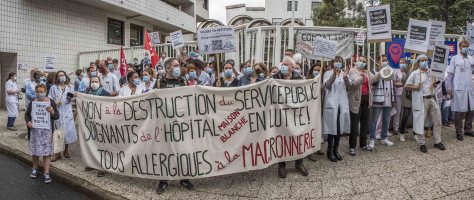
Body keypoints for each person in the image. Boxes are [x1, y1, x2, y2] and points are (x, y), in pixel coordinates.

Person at [156, 57, 193, 194]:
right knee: (166, 152)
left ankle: (184, 178)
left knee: (183, 150)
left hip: (181, 124)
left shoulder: (182, 81)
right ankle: (163, 181)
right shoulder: (160, 82)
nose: (178, 68)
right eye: (176, 65)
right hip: (165, 124)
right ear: (167, 68)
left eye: (179, 65)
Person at [272, 56, 308, 178]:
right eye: (282, 64)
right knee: (281, 139)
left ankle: (299, 163)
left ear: (292, 67)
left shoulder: (299, 79)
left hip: (295, 114)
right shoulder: (275, 78)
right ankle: (282, 165)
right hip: (281, 114)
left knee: (298, 137)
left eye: (286, 64)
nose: (283, 66)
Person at [405, 54, 446, 152]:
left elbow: (432, 85)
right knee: (421, 122)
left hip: (432, 98)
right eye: (422, 60)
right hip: (422, 100)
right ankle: (422, 143)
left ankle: (437, 141)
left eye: (426, 60)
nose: (425, 62)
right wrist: (415, 87)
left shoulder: (430, 73)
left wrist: (434, 85)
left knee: (437, 120)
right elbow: (406, 85)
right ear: (418, 63)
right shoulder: (415, 73)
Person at [26, 84, 59, 183]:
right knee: (35, 151)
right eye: (37, 91)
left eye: (41, 91)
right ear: (35, 92)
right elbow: (27, 115)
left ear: (46, 92)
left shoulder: (50, 102)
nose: (39, 93)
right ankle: (34, 168)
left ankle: (46, 172)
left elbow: (56, 116)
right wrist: (28, 122)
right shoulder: (33, 102)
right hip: (35, 131)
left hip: (46, 132)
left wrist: (52, 111)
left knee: (46, 152)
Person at [347, 56, 378, 156]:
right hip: (356, 102)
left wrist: (381, 72)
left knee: (365, 124)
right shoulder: (353, 70)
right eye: (360, 61)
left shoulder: (367, 72)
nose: (362, 63)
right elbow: (354, 84)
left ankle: (363, 144)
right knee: (354, 125)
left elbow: (373, 80)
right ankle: (352, 146)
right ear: (357, 61)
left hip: (366, 101)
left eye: (364, 62)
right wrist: (362, 77)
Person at [323, 56, 350, 162]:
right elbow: (327, 85)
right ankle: (329, 151)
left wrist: (346, 78)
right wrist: (334, 74)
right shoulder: (328, 73)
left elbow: (349, 87)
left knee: (338, 128)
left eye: (339, 61)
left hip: (342, 104)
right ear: (332, 63)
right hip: (332, 104)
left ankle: (336, 149)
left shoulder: (344, 74)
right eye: (336, 61)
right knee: (331, 128)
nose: (338, 63)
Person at [446, 40, 474, 141]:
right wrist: (449, 88)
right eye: (463, 46)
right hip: (459, 89)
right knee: (459, 112)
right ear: (460, 47)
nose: (465, 47)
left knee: (471, 110)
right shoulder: (455, 58)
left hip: (470, 89)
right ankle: (459, 132)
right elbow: (450, 75)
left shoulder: (471, 58)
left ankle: (468, 129)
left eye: (467, 46)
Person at [48, 71, 78, 161]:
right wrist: (55, 103)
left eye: (63, 75)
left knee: (67, 132)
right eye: (60, 76)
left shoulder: (70, 87)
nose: (62, 77)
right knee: (58, 133)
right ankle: (57, 153)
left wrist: (72, 97)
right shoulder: (54, 87)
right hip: (58, 112)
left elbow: (74, 98)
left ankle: (66, 150)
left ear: (65, 76)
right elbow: (49, 99)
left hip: (67, 112)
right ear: (57, 78)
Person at [369, 55, 395, 149]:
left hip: (388, 99)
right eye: (383, 60)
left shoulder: (390, 71)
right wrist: (380, 71)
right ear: (378, 61)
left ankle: (384, 138)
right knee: (374, 121)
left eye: (386, 60)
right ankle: (372, 139)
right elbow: (373, 82)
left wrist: (393, 99)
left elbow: (393, 84)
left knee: (386, 120)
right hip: (378, 99)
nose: (385, 62)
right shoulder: (373, 71)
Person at [306, 63, 325, 161]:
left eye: (319, 70)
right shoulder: (307, 79)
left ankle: (317, 147)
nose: (317, 72)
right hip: (310, 109)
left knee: (318, 128)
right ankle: (309, 151)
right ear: (312, 70)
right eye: (315, 70)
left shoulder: (322, 80)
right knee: (310, 129)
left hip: (320, 107)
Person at [398, 58, 414, 142]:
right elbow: (403, 82)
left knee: (416, 116)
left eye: (403, 62)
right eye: (401, 63)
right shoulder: (403, 72)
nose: (402, 64)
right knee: (405, 115)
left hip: (415, 95)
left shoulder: (414, 69)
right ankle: (401, 132)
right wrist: (407, 73)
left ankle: (416, 133)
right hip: (407, 96)